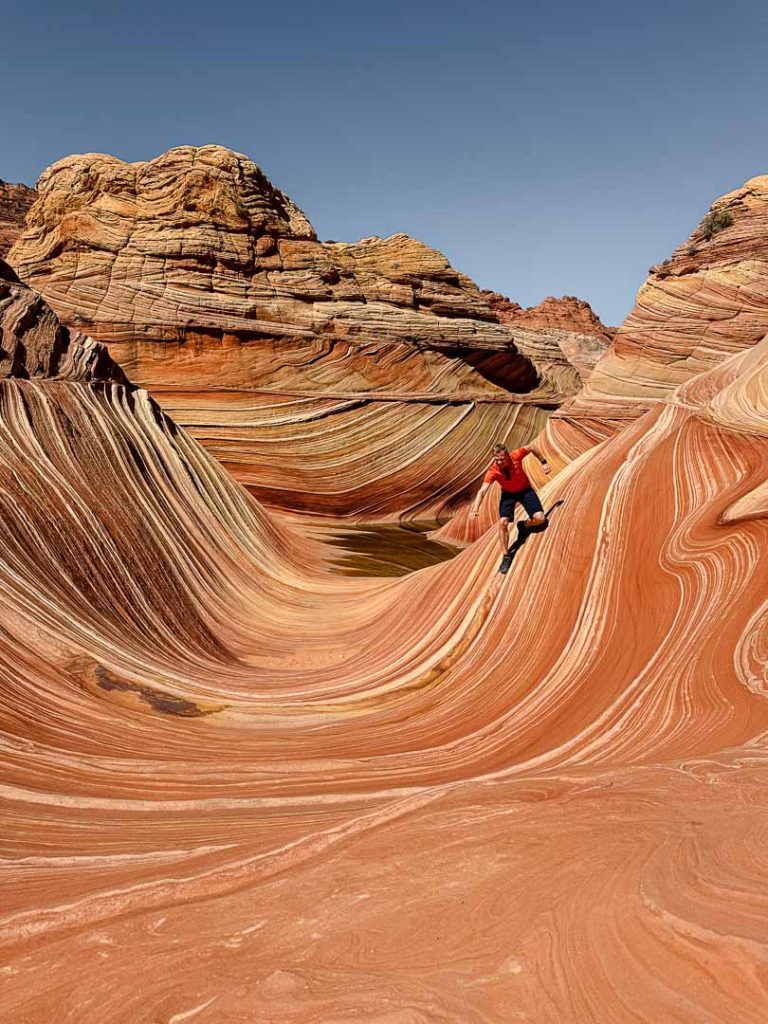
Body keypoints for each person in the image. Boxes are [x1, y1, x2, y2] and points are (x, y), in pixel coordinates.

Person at [470, 442, 551, 573]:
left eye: (501, 459)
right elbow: (482, 491)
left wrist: (544, 462)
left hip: (525, 490)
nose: (499, 462)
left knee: (541, 519)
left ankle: (524, 525)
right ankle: (506, 556)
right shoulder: (493, 471)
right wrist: (475, 509)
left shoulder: (516, 456)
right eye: (496, 459)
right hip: (508, 495)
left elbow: (531, 447)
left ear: (507, 456)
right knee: (502, 523)